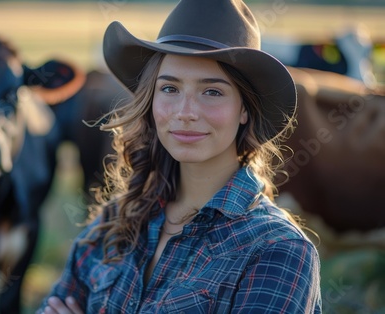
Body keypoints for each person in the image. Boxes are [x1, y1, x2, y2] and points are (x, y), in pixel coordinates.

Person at [37, 0, 322, 313]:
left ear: (245, 109)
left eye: (212, 91)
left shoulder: (276, 251)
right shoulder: (116, 219)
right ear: (151, 98)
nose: (185, 113)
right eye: (170, 89)